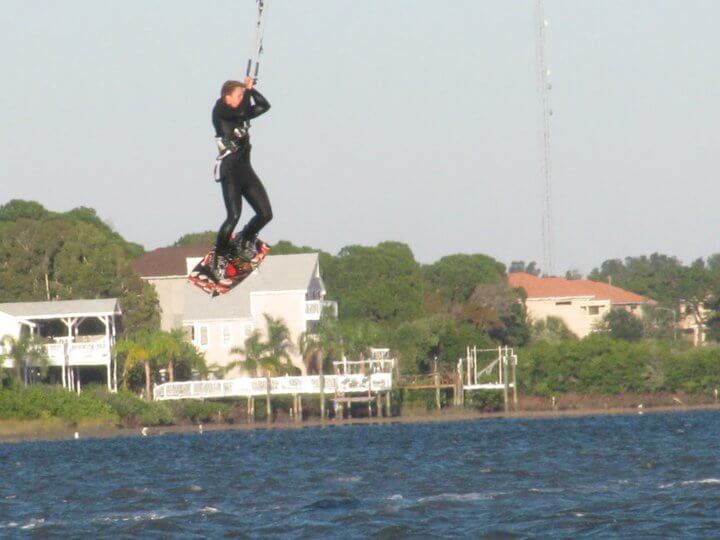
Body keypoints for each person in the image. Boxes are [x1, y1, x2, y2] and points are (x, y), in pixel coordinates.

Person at [210, 76, 273, 280]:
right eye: (239, 96)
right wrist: (246, 89)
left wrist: (250, 91)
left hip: (246, 170)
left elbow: (264, 105)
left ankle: (245, 238)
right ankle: (218, 257)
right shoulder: (220, 110)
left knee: (265, 214)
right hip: (230, 172)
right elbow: (240, 110)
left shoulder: (240, 113)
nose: (242, 98)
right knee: (233, 216)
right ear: (227, 97)